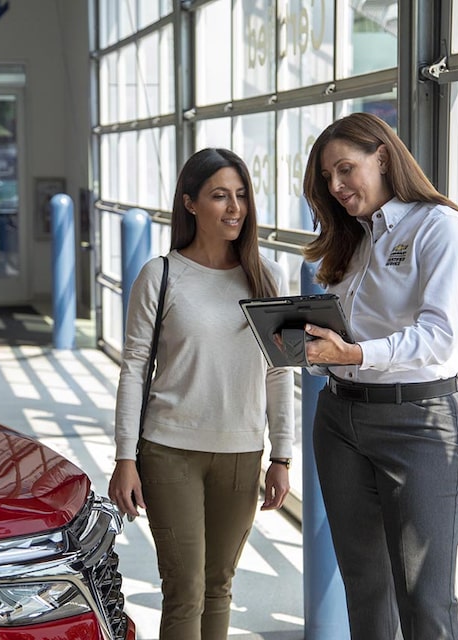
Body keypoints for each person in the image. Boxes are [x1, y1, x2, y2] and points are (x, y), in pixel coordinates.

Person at [297, 112, 458, 640]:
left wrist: (353, 354)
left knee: (426, 599)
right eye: (326, 179)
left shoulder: (440, 227)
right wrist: (309, 344)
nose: (336, 186)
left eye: (345, 169)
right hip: (339, 419)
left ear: (382, 155)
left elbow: (439, 338)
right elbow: (349, 327)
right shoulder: (353, 240)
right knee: (365, 588)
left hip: (419, 425)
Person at [108, 147, 295, 640]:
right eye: (219, 196)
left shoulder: (266, 276)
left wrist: (283, 456)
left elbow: (280, 372)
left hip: (241, 451)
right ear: (190, 203)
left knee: (219, 586)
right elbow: (133, 370)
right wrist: (124, 457)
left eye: (241, 195)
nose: (235, 208)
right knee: (185, 588)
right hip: (170, 450)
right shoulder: (160, 274)